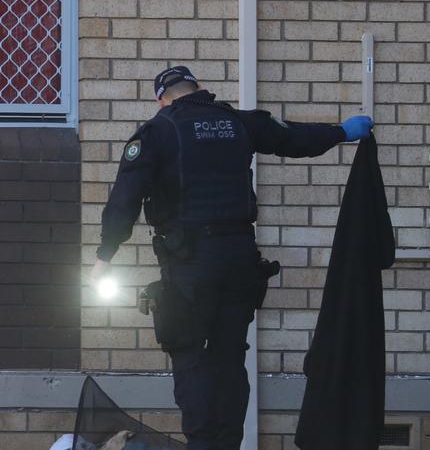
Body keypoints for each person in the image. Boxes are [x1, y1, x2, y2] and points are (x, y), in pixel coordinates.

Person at [89, 66, 373, 450]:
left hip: (189, 266)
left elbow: (126, 197)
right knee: (229, 358)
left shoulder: (157, 131)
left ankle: (204, 444)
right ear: (199, 89)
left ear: (162, 98)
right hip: (240, 262)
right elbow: (294, 138)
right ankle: (227, 444)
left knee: (190, 356)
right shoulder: (238, 122)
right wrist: (343, 132)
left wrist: (104, 256)